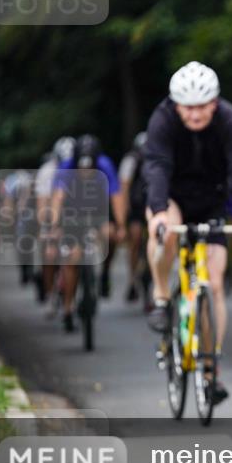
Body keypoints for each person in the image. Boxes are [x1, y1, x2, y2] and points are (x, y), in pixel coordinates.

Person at [143, 61, 232, 405]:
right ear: (176, 104)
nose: (195, 115)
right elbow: (156, 167)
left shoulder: (228, 119)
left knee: (213, 281)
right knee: (166, 232)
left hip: (212, 200)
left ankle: (211, 371)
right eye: (188, 108)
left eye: (202, 107)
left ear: (215, 102)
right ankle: (163, 295)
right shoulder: (162, 120)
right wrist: (157, 212)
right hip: (172, 196)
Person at [50, 134, 126, 331]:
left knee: (110, 236)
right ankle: (68, 307)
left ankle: (105, 272)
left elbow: (116, 196)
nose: (86, 172)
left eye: (90, 168)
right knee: (72, 259)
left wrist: (120, 225)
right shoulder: (66, 168)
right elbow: (57, 199)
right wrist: (54, 225)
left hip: (97, 211)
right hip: (72, 214)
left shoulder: (105, 165)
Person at [35, 136, 76, 308]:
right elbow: (43, 202)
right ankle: (50, 290)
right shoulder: (47, 171)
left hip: (75, 214)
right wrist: (47, 228)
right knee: (48, 252)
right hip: (52, 213)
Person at [119, 131, 151, 305]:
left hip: (153, 205)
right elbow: (124, 188)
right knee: (135, 238)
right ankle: (132, 279)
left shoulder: (158, 158)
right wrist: (124, 218)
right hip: (136, 207)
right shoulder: (130, 161)